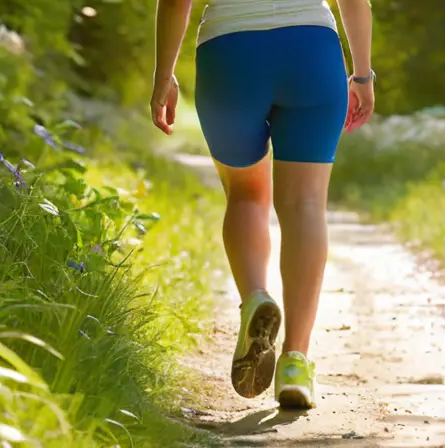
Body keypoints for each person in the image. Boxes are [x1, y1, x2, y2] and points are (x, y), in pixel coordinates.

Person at [151, 0, 374, 409]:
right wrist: (362, 74)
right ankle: (295, 362)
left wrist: (163, 75)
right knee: (306, 204)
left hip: (231, 52)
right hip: (311, 49)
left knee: (246, 193)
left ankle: (256, 297)